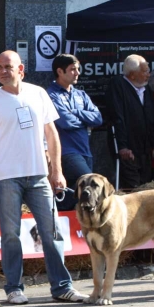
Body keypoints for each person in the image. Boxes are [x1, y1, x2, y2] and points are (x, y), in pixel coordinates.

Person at [0, 50, 88, 305]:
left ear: (21, 70)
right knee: (10, 235)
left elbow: (52, 135)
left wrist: (57, 171)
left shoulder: (38, 93)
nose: (3, 71)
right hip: (6, 177)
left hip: (39, 175)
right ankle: (14, 288)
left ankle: (62, 286)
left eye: (8, 66)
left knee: (52, 232)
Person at [47, 54, 102, 210]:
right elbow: (66, 122)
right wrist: (85, 120)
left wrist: (76, 111)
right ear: (60, 71)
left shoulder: (80, 94)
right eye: (72, 69)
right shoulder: (51, 94)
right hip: (66, 152)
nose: (77, 73)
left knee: (72, 193)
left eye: (78, 69)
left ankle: (61, 220)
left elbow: (98, 118)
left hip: (85, 150)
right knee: (89, 184)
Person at [105, 54, 154, 189]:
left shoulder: (146, 89)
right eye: (144, 71)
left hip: (145, 147)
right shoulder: (118, 86)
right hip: (128, 148)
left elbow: (152, 118)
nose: (148, 75)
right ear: (132, 75)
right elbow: (117, 117)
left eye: (148, 70)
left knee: (145, 184)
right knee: (133, 187)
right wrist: (122, 146)